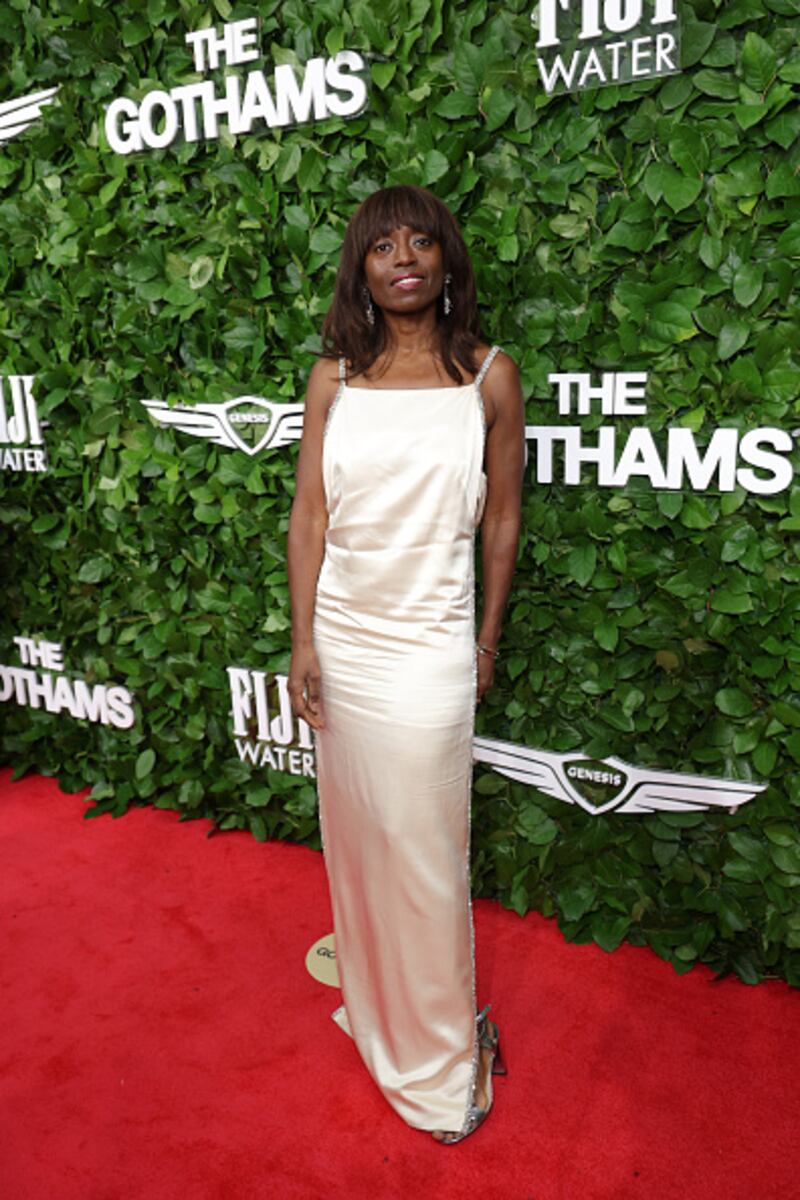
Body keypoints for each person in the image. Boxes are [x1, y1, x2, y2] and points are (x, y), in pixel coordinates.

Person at [287, 184, 524, 1143]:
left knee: (425, 853)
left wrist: (486, 640)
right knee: (361, 840)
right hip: (346, 643)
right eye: (382, 247)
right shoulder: (332, 380)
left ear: (446, 259)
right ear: (362, 270)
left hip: (430, 646)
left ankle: (439, 1057)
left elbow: (502, 521)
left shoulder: (490, 378)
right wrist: (303, 640)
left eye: (419, 241)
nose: (403, 260)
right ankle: (383, 1008)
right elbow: (311, 516)